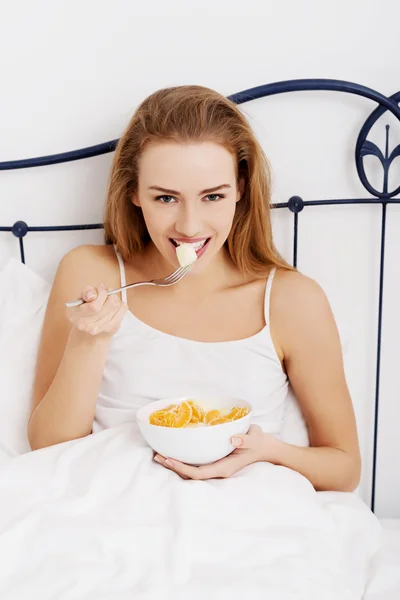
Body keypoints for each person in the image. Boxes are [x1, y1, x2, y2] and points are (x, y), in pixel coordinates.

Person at [28, 85, 360, 492]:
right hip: (112, 511)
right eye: (166, 198)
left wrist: (266, 451)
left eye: (212, 196)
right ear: (133, 192)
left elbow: (344, 469)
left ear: (240, 188)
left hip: (250, 516)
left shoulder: (292, 300)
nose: (189, 227)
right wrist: (88, 340)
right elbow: (48, 449)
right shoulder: (93, 274)